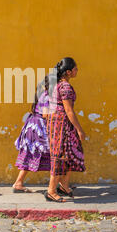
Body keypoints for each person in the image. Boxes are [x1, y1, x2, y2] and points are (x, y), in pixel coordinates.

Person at [45, 57, 86, 202]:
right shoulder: (65, 87)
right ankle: (51, 191)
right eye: (75, 69)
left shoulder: (54, 85)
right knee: (60, 156)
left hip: (54, 122)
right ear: (68, 72)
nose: (77, 71)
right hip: (62, 124)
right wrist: (79, 129)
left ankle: (64, 185)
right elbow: (69, 110)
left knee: (66, 155)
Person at [12, 74, 55, 193]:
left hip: (33, 126)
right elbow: (46, 115)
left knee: (31, 154)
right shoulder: (47, 97)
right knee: (54, 155)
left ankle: (18, 182)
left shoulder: (42, 94)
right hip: (39, 128)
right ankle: (60, 184)